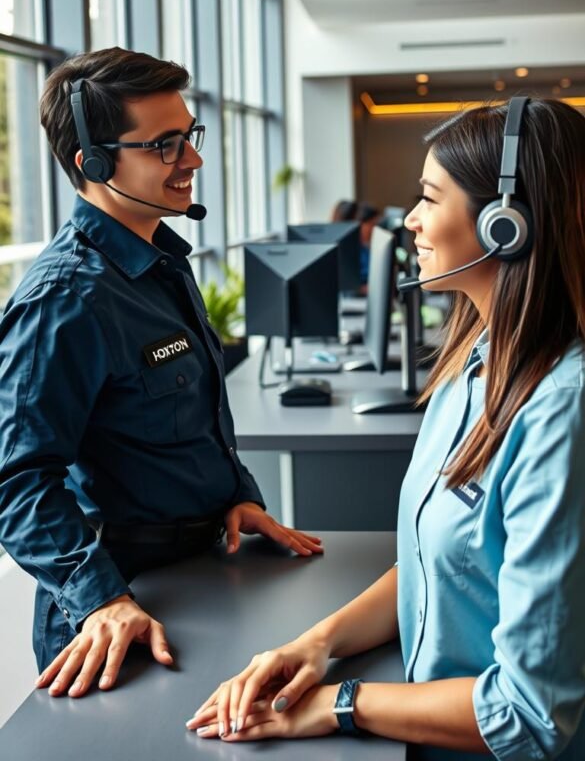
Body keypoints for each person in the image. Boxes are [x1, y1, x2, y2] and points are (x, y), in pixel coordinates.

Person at [187, 97, 585, 760]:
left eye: (429, 199)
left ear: (505, 226)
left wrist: (337, 705)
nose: (414, 224)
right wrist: (317, 644)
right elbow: (440, 568)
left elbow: (527, 716)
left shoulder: (559, 414)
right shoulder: (473, 366)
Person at [0, 47, 322, 700]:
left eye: (189, 137)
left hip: (201, 572)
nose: (193, 161)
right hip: (121, 610)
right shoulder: (66, 299)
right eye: (167, 146)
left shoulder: (162, 264)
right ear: (93, 162)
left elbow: (181, 422)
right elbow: (15, 481)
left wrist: (236, 496)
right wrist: (100, 600)